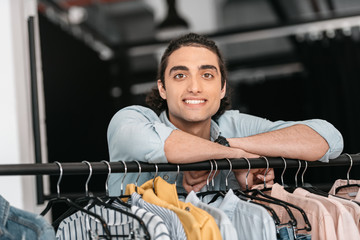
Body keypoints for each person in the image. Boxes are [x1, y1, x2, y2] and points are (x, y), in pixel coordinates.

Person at [107, 33, 343, 196]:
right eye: (180, 75)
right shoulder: (131, 120)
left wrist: (226, 145)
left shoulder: (232, 125)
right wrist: (238, 156)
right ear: (162, 88)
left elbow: (328, 139)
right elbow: (168, 145)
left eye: (207, 75)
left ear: (222, 88)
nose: (194, 87)